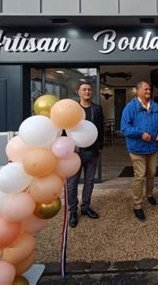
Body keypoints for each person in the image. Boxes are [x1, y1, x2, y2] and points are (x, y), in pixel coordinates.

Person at [121, 81, 158, 222]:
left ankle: (149, 194)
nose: (148, 91)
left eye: (149, 89)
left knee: (151, 173)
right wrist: (140, 133)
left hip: (153, 147)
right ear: (138, 90)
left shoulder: (155, 106)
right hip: (137, 148)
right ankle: (137, 205)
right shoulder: (130, 107)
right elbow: (124, 128)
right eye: (146, 89)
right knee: (140, 175)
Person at [68, 82, 104, 228]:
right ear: (78, 92)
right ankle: (72, 211)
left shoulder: (97, 109)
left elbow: (100, 128)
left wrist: (100, 146)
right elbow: (65, 129)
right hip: (75, 152)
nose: (87, 91)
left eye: (89, 89)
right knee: (72, 183)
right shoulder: (71, 109)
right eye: (84, 89)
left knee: (89, 181)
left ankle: (85, 207)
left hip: (92, 151)